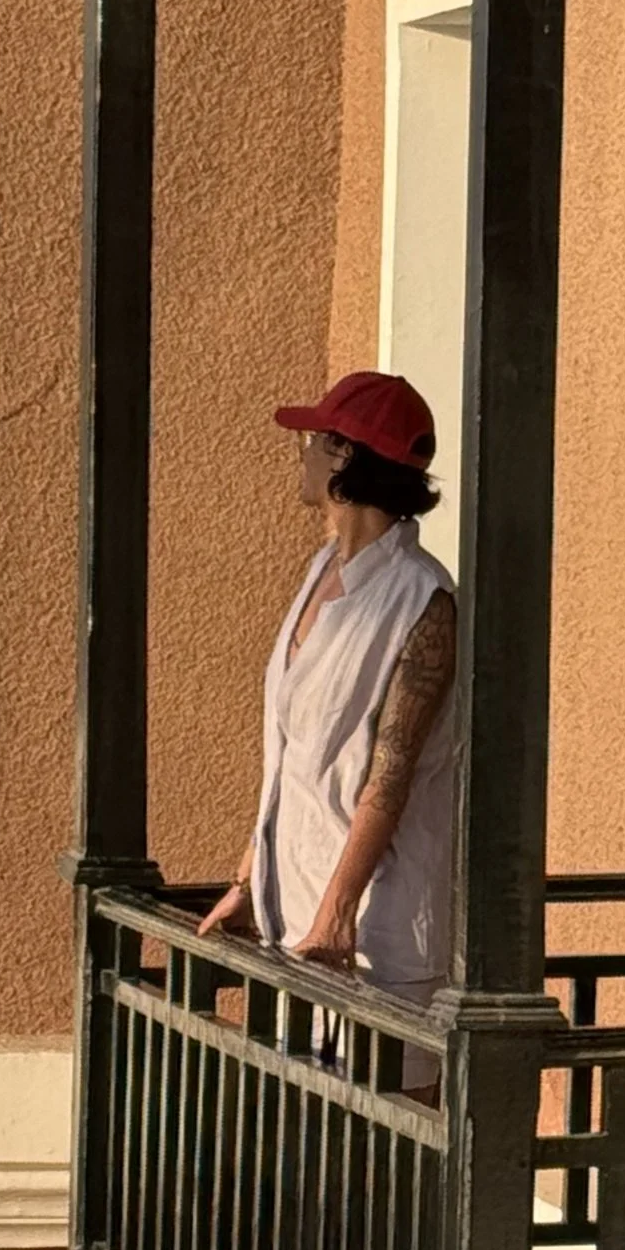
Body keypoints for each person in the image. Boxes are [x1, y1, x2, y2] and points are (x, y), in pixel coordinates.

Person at [200, 371, 458, 1001]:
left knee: (393, 1099)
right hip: (295, 909)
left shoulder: (422, 601)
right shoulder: (323, 569)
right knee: (310, 1098)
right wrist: (249, 878)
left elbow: (388, 777)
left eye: (314, 441)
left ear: (345, 455)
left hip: (373, 932)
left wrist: (337, 912)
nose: (304, 454)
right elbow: (295, 753)